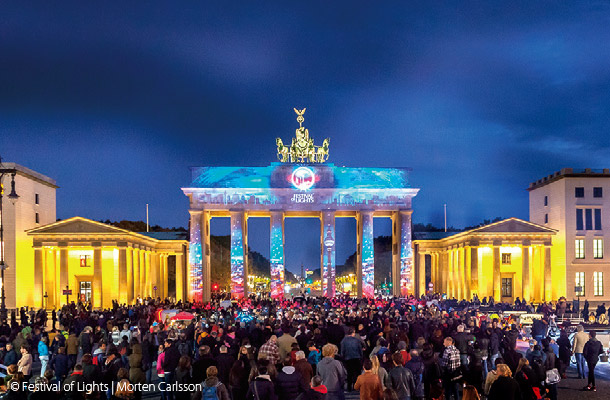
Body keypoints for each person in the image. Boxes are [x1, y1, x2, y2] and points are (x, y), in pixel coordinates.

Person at [340, 327, 364, 392]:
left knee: (349, 373)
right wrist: (361, 357)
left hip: (348, 358)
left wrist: (343, 358)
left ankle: (349, 387)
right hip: (356, 357)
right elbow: (360, 350)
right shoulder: (356, 340)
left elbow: (342, 351)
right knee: (357, 373)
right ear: (353, 333)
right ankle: (357, 386)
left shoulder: (343, 341)